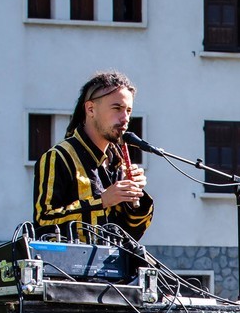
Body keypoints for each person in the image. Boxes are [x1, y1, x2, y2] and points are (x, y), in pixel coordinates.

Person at [33, 70, 152, 240]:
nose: (125, 118)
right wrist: (102, 201)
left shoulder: (118, 163)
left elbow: (129, 234)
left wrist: (133, 197)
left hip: (111, 256)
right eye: (117, 108)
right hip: (70, 257)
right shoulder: (58, 157)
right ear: (90, 109)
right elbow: (43, 222)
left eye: (128, 111)